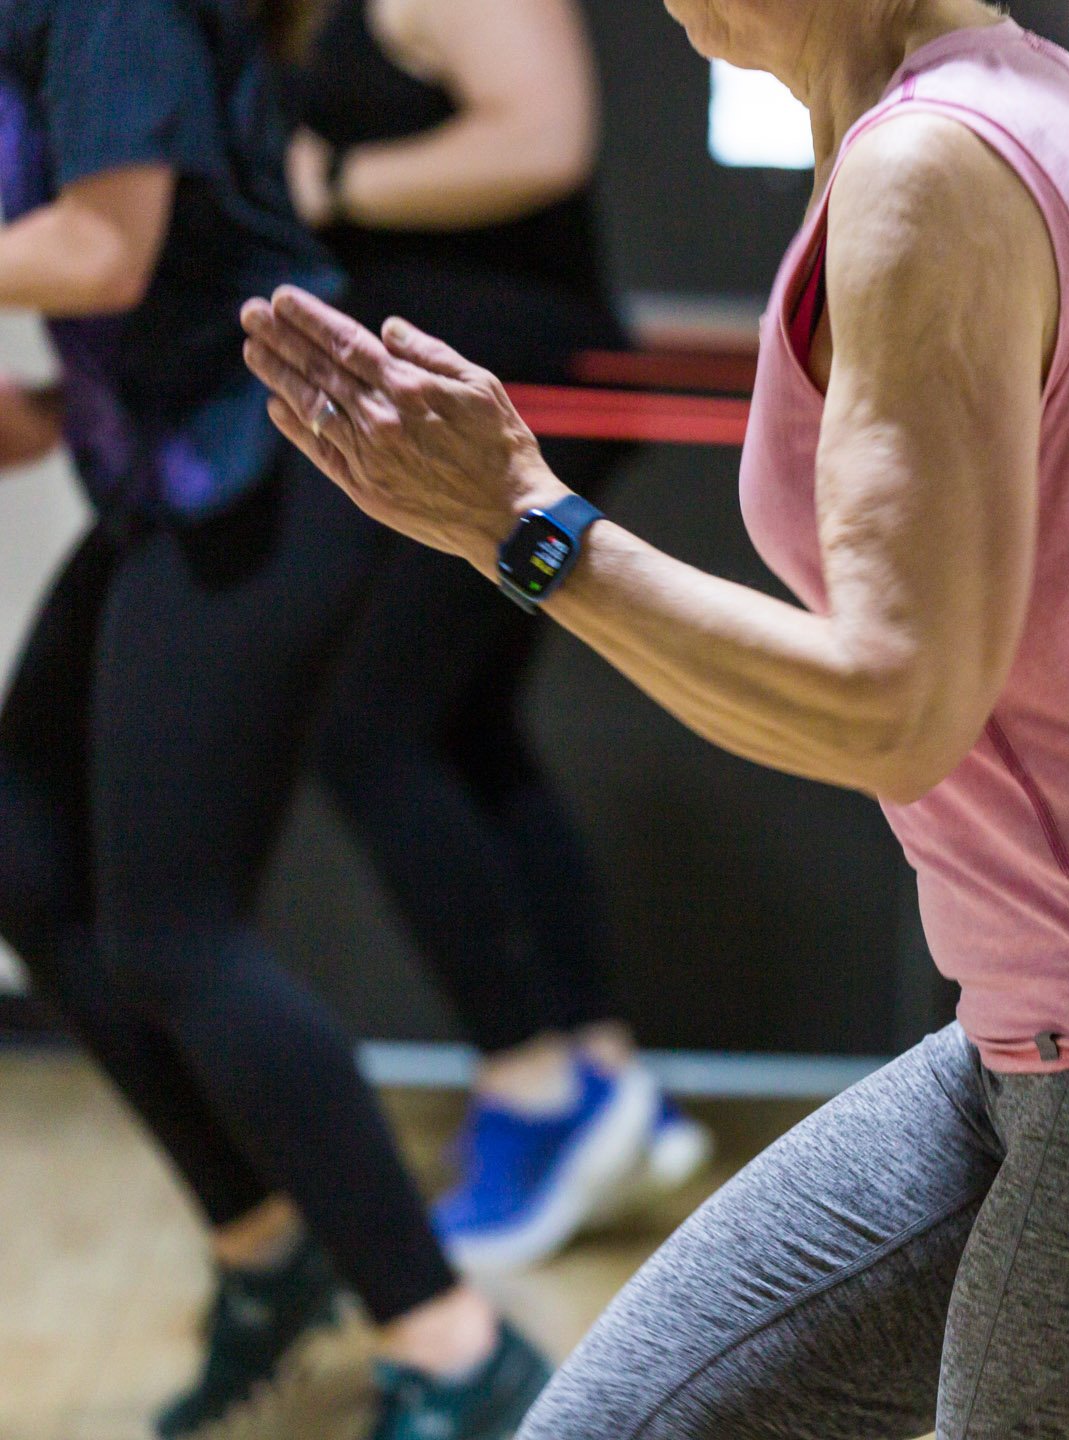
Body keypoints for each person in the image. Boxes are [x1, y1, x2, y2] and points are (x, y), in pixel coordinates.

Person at [241, 0, 1069, 1430]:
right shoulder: (1032, 116)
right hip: (1068, 1036)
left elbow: (894, 711)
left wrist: (528, 527)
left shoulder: (935, 173)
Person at [0, 3, 549, 1436]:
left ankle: (458, 1348)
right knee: (23, 847)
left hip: (269, 466)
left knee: (175, 934)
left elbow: (102, 249)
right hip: (172, 469)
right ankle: (267, 1249)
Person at [265, 0, 711, 1276]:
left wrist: (331, 183)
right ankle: (602, 1077)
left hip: (513, 393)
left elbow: (542, 138)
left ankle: (535, 1089)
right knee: (460, 726)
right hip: (458, 391)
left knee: (368, 730)